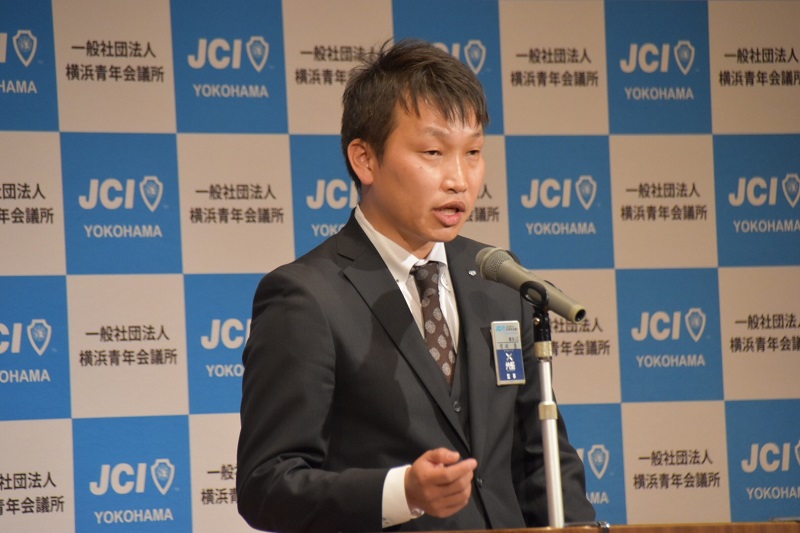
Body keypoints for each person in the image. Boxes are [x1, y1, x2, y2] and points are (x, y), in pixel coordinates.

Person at [236, 38, 595, 532]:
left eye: (473, 152)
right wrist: (401, 493)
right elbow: (267, 485)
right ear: (365, 160)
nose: (459, 179)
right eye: (433, 152)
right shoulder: (305, 297)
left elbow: (542, 457)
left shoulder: (499, 277)